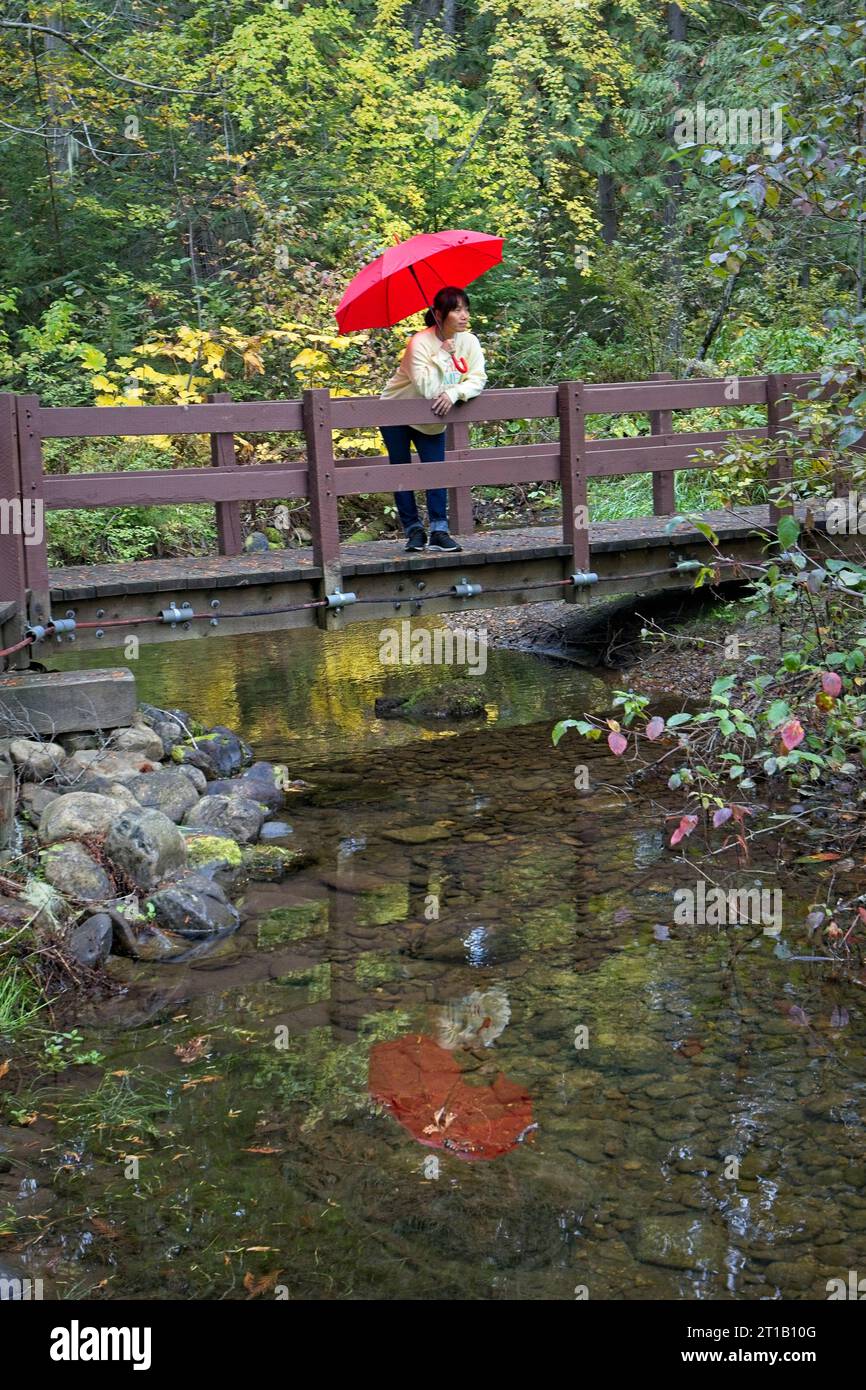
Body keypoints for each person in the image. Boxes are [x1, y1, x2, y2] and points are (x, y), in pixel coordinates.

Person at [379, 285, 487, 551]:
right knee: (402, 471)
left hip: (434, 415)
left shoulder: (469, 342)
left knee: (435, 471)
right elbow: (427, 389)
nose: (464, 316)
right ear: (439, 313)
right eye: (457, 310)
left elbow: (478, 378)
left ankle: (440, 530)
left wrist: (455, 394)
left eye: (466, 309)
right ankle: (414, 531)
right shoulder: (419, 342)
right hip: (397, 410)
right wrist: (441, 353)